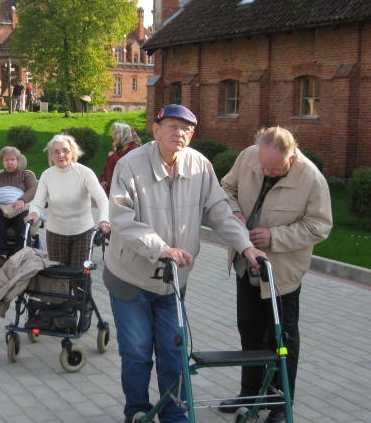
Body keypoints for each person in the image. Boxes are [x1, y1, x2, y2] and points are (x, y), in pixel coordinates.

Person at [103, 104, 267, 423]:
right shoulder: (130, 164)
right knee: (137, 351)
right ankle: (136, 410)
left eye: (187, 129)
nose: (180, 133)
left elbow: (220, 212)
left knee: (173, 350)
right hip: (130, 278)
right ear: (156, 130)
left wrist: (246, 247)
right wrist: (161, 248)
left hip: (173, 281)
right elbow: (121, 218)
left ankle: (173, 412)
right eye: (173, 126)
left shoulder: (199, 165)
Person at [219, 126, 333, 423]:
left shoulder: (312, 179)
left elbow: (319, 226)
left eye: (275, 169)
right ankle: (249, 394)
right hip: (246, 263)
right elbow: (226, 188)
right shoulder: (248, 157)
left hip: (281, 273)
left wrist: (275, 236)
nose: (267, 173)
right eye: (264, 167)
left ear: (291, 157)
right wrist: (234, 212)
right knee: (249, 329)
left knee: (282, 337)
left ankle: (281, 402)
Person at [24, 133, 110, 269]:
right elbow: (38, 202)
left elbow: (102, 199)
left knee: (80, 274)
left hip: (82, 232)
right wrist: (34, 213)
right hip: (55, 233)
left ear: (73, 153)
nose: (61, 155)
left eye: (65, 150)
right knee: (58, 275)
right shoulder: (47, 175)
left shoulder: (85, 173)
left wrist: (104, 219)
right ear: (51, 156)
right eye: (56, 152)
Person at [0, 146, 38, 270]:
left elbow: (33, 190)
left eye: (12, 160)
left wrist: (22, 200)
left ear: (18, 161)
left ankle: (19, 255)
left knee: (23, 217)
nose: (10, 163)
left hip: (20, 208)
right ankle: (0, 255)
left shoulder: (26, 175)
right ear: (2, 162)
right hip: (3, 210)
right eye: (6, 160)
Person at [99, 122, 142, 196]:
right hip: (112, 193)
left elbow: (126, 169)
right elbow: (106, 169)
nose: (113, 137)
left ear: (125, 134)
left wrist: (113, 156)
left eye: (116, 134)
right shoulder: (117, 149)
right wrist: (103, 181)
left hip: (125, 195)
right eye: (113, 134)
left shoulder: (134, 150)